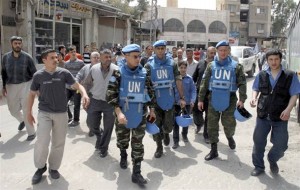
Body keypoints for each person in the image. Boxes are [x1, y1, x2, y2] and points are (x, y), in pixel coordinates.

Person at [27, 49, 89, 185]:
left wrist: (84, 94)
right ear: (44, 60)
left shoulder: (63, 73)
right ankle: (40, 167)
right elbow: (31, 94)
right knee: (42, 141)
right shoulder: (38, 76)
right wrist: (28, 113)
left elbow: (77, 85)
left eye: (57, 57)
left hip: (61, 113)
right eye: (52, 58)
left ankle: (53, 168)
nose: (56, 60)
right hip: (44, 113)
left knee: (58, 143)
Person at [106, 44, 156, 186]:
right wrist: (118, 112)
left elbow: (151, 92)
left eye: (139, 56)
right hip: (123, 113)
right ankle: (123, 154)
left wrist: (152, 110)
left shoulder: (144, 73)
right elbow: (110, 95)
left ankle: (137, 172)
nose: (138, 59)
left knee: (138, 143)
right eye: (135, 56)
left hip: (140, 114)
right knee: (123, 139)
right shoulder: (118, 73)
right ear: (126, 56)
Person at [249, 49, 300, 176]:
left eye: (276, 59)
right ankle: (259, 166)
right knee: (259, 142)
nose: (273, 62)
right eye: (271, 59)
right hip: (263, 114)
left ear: (280, 59)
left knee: (281, 145)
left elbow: (294, 94)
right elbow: (255, 88)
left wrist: (288, 110)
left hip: (281, 116)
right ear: (267, 60)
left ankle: (272, 159)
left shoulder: (290, 75)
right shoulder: (261, 74)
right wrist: (253, 98)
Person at [198, 40, 247, 161]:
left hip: (230, 99)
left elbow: (242, 83)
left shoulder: (236, 66)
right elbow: (204, 83)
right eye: (221, 50)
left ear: (229, 51)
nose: (223, 52)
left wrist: (242, 99)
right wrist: (200, 99)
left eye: (225, 50)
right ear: (217, 51)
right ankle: (214, 150)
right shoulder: (211, 66)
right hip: (213, 98)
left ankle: (230, 137)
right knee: (211, 125)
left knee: (229, 124)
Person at [144, 40, 186, 158]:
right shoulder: (149, 65)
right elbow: (145, 84)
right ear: (154, 50)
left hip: (169, 99)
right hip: (155, 101)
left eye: (163, 48)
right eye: (158, 48)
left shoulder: (172, 64)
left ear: (165, 49)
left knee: (168, 126)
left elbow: (178, 80)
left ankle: (166, 133)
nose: (161, 51)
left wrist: (182, 98)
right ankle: (159, 146)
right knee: (156, 125)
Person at [83, 49, 118, 157]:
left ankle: (103, 148)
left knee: (108, 127)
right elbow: (87, 84)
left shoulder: (116, 70)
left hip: (110, 103)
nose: (108, 59)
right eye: (105, 57)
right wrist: (85, 98)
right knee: (91, 124)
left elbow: (120, 86)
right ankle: (99, 135)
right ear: (101, 57)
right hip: (95, 101)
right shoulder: (94, 69)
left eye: (109, 57)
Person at [1, 36, 37, 141]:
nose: (17, 45)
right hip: (10, 85)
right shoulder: (5, 57)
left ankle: (31, 132)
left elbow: (34, 73)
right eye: (15, 43)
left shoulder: (27, 57)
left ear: (21, 44)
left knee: (26, 109)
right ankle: (22, 121)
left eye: (19, 43)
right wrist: (3, 87)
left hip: (25, 84)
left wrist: (35, 88)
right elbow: (3, 72)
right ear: (11, 44)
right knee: (12, 109)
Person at [192, 46, 216, 143]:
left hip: (211, 94)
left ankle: (206, 135)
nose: (212, 55)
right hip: (199, 92)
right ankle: (198, 124)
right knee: (196, 112)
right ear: (206, 53)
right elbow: (194, 77)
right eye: (211, 53)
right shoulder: (200, 63)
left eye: (214, 53)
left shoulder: (217, 65)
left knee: (209, 115)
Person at [76, 51, 100, 137]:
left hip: (98, 95)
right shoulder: (85, 68)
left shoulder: (103, 68)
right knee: (89, 111)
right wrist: (76, 82)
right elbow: (78, 75)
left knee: (95, 113)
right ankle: (93, 127)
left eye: (98, 57)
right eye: (94, 57)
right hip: (87, 94)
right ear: (90, 59)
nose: (96, 59)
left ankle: (93, 128)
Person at [172, 60, 196, 149]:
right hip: (176, 104)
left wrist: (193, 100)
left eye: (184, 67)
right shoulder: (175, 79)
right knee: (176, 123)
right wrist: (176, 101)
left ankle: (184, 135)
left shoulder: (189, 79)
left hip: (187, 104)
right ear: (178, 68)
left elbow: (193, 90)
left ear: (186, 68)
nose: (183, 69)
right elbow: (173, 91)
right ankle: (175, 141)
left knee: (186, 120)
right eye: (181, 67)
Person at [64, 46, 85, 127]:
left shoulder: (81, 63)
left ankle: (76, 120)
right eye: (71, 52)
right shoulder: (66, 64)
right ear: (68, 53)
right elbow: (65, 75)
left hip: (77, 87)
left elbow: (83, 74)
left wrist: (80, 85)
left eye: (74, 51)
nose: (73, 53)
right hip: (67, 87)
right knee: (64, 103)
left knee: (76, 104)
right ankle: (69, 117)